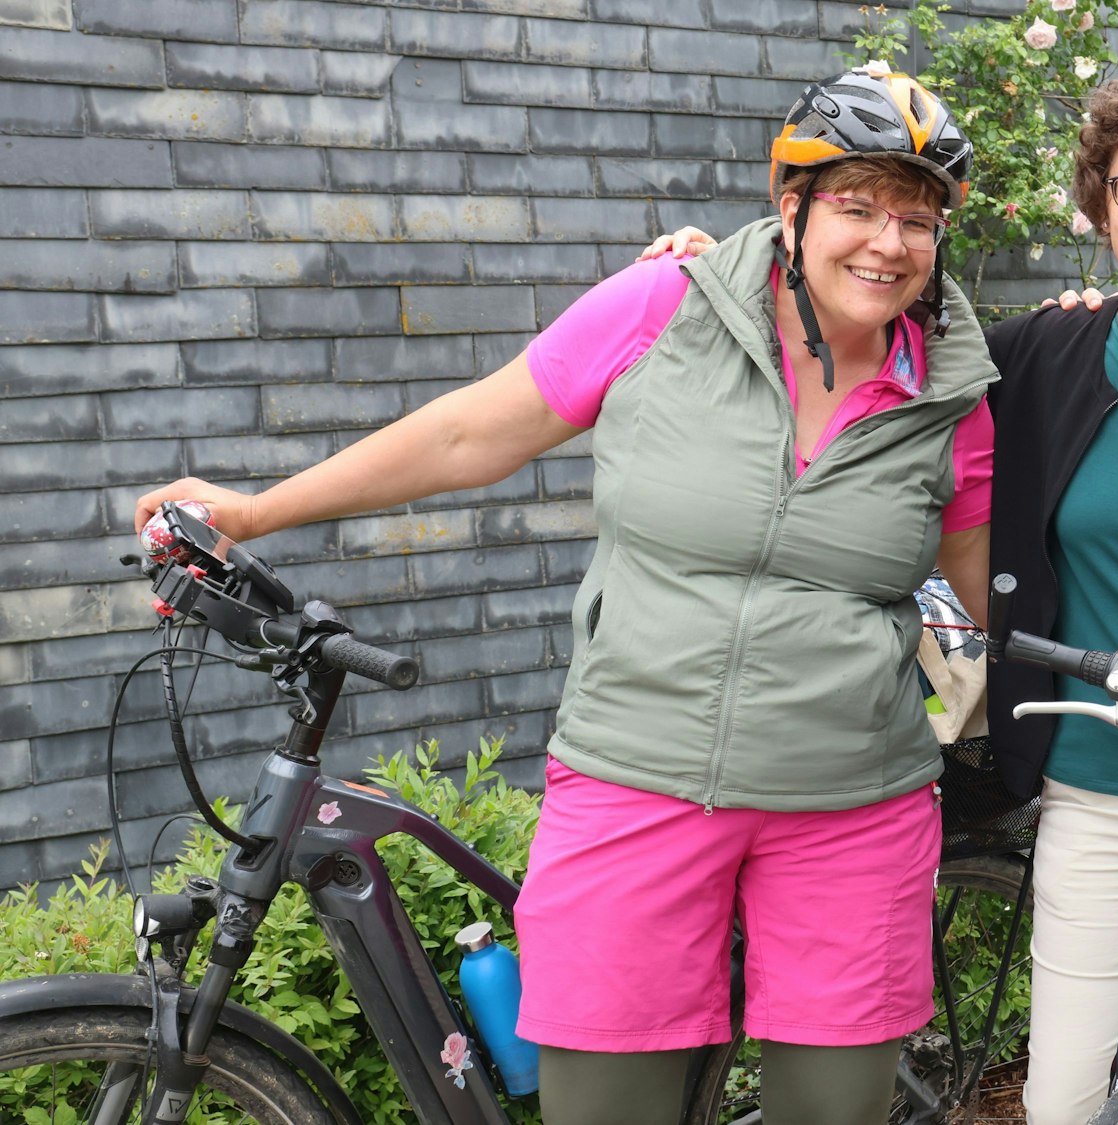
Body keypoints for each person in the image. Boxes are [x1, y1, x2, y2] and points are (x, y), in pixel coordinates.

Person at [133, 69, 999, 1125]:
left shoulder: (954, 394)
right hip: (637, 775)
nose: (888, 242)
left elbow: (982, 596)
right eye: (858, 207)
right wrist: (255, 510)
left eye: (917, 218)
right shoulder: (665, 307)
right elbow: (468, 433)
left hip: (852, 808)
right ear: (793, 208)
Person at [648, 67, 1118, 1125]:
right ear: (1100, 204)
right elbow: (855, 326)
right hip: (1100, 798)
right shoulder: (1033, 356)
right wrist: (714, 273)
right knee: (1072, 1099)